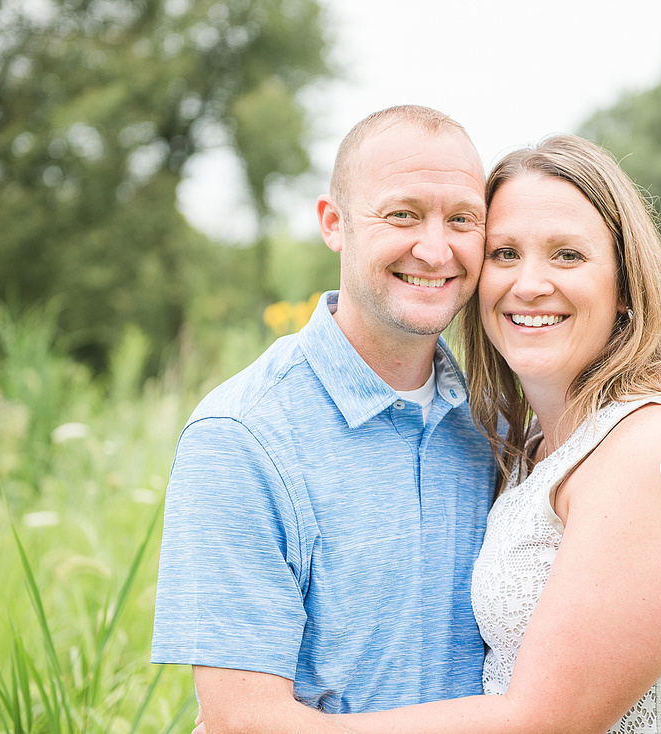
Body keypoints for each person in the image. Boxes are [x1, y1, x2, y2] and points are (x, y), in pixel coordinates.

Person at [318, 135, 661, 733]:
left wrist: (277, 729)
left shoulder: (654, 447)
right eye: (503, 254)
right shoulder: (532, 450)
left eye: (567, 256)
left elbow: (543, 723)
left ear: (627, 283)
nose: (529, 284)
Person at [151, 105, 498, 732]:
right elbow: (242, 722)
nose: (436, 247)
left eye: (462, 219)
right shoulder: (240, 438)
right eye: (403, 214)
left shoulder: (494, 428)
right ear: (333, 223)